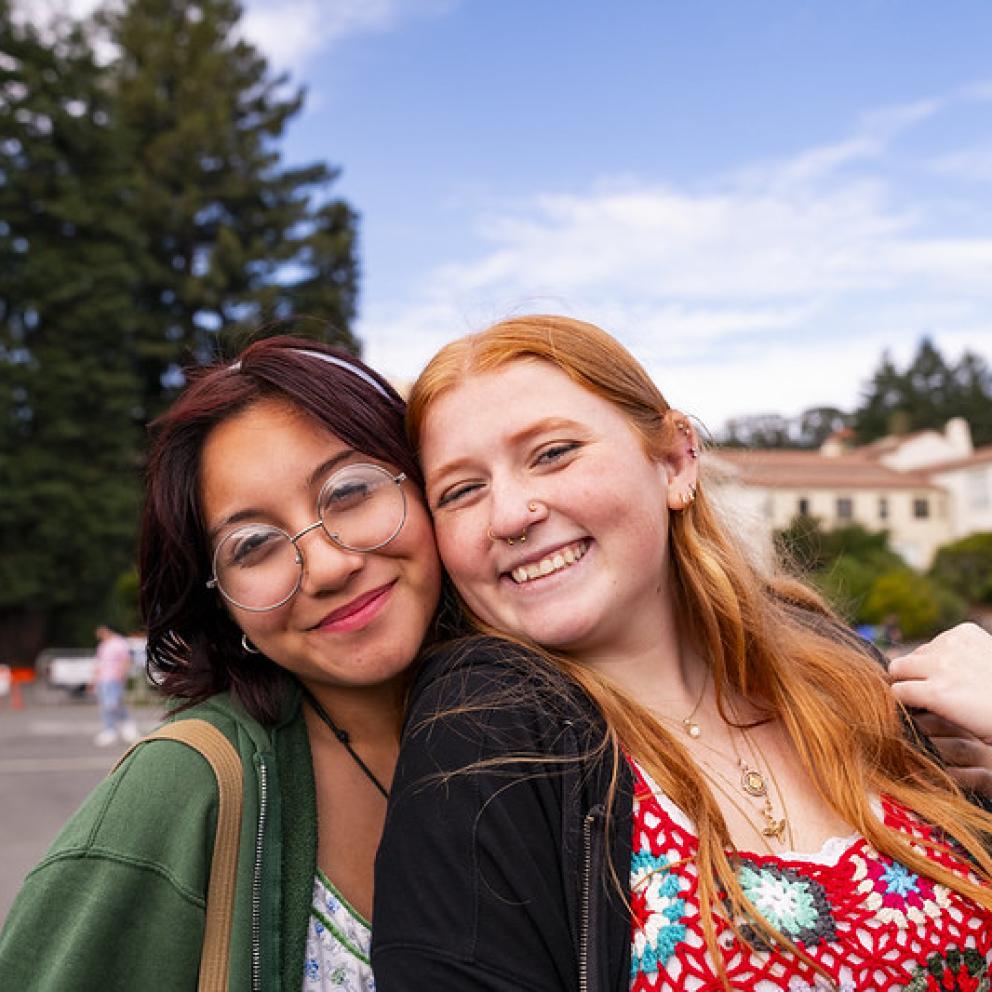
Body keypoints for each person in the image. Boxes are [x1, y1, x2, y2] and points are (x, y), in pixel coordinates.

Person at [372, 315, 992, 992]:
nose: (511, 514)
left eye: (552, 453)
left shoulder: (845, 676)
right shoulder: (485, 740)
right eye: (461, 491)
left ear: (674, 459)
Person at [0, 337, 446, 991]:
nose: (326, 565)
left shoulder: (553, 721)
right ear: (219, 601)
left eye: (349, 492)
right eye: (255, 545)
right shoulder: (178, 789)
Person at [91, 624, 140, 746]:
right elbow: (99, 663)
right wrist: (93, 680)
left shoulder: (119, 643)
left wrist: (121, 674)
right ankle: (112, 729)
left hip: (114, 678)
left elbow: (127, 660)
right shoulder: (103, 645)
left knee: (113, 704)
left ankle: (125, 727)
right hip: (103, 679)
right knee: (106, 705)